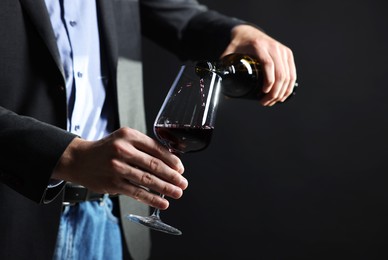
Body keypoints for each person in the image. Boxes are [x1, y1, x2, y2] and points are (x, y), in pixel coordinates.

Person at [0, 0, 297, 259]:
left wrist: (236, 32)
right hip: (12, 219)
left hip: (108, 221)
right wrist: (65, 156)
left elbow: (185, 20)